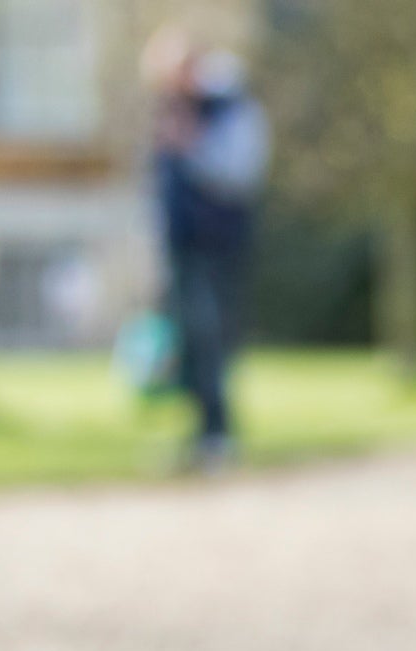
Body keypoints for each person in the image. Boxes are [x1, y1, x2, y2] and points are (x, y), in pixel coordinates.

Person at [147, 38, 268, 472]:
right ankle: (200, 432)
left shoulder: (228, 110)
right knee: (189, 340)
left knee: (212, 333)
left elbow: (241, 171)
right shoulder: (173, 112)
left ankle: (219, 434)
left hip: (216, 244)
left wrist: (191, 149)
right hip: (181, 244)